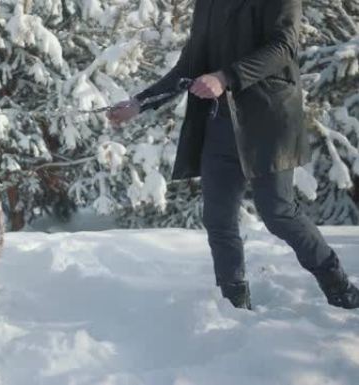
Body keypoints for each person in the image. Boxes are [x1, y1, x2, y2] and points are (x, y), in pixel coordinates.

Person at [107, 0, 359, 310]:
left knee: (278, 212)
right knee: (218, 217)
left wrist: (226, 77)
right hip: (219, 124)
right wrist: (139, 103)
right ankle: (234, 302)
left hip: (269, 120)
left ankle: (338, 285)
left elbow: (283, 46)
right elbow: (189, 65)